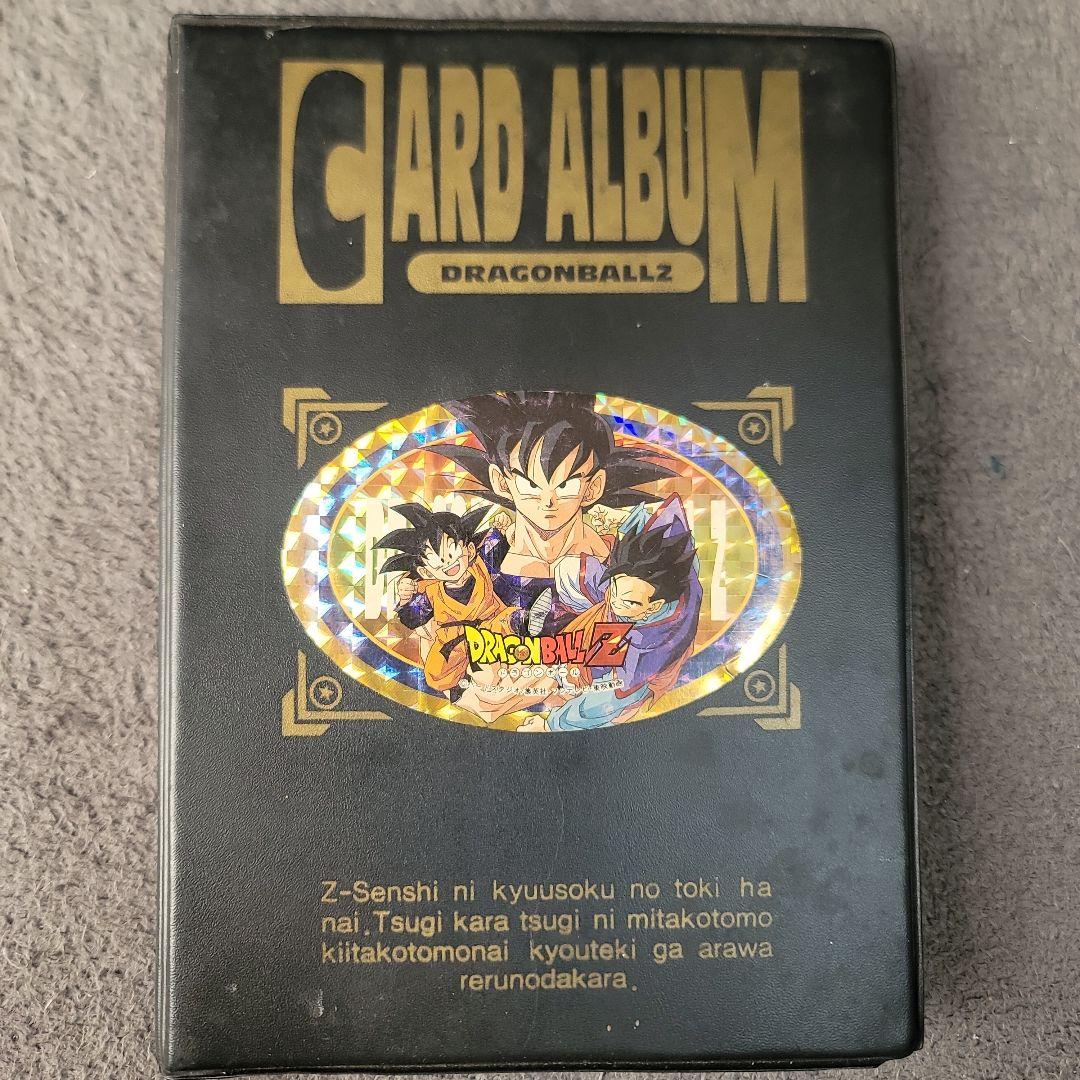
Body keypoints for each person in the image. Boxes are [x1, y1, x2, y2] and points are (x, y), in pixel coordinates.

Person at [519, 496, 702, 732]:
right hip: (633, 604)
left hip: (635, 651)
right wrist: (620, 530)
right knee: (569, 568)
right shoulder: (669, 545)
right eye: (614, 590)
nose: (613, 603)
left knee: (595, 681)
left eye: (626, 601)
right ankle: (571, 607)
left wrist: (550, 724)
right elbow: (646, 521)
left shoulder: (651, 645)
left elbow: (610, 700)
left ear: (654, 606)